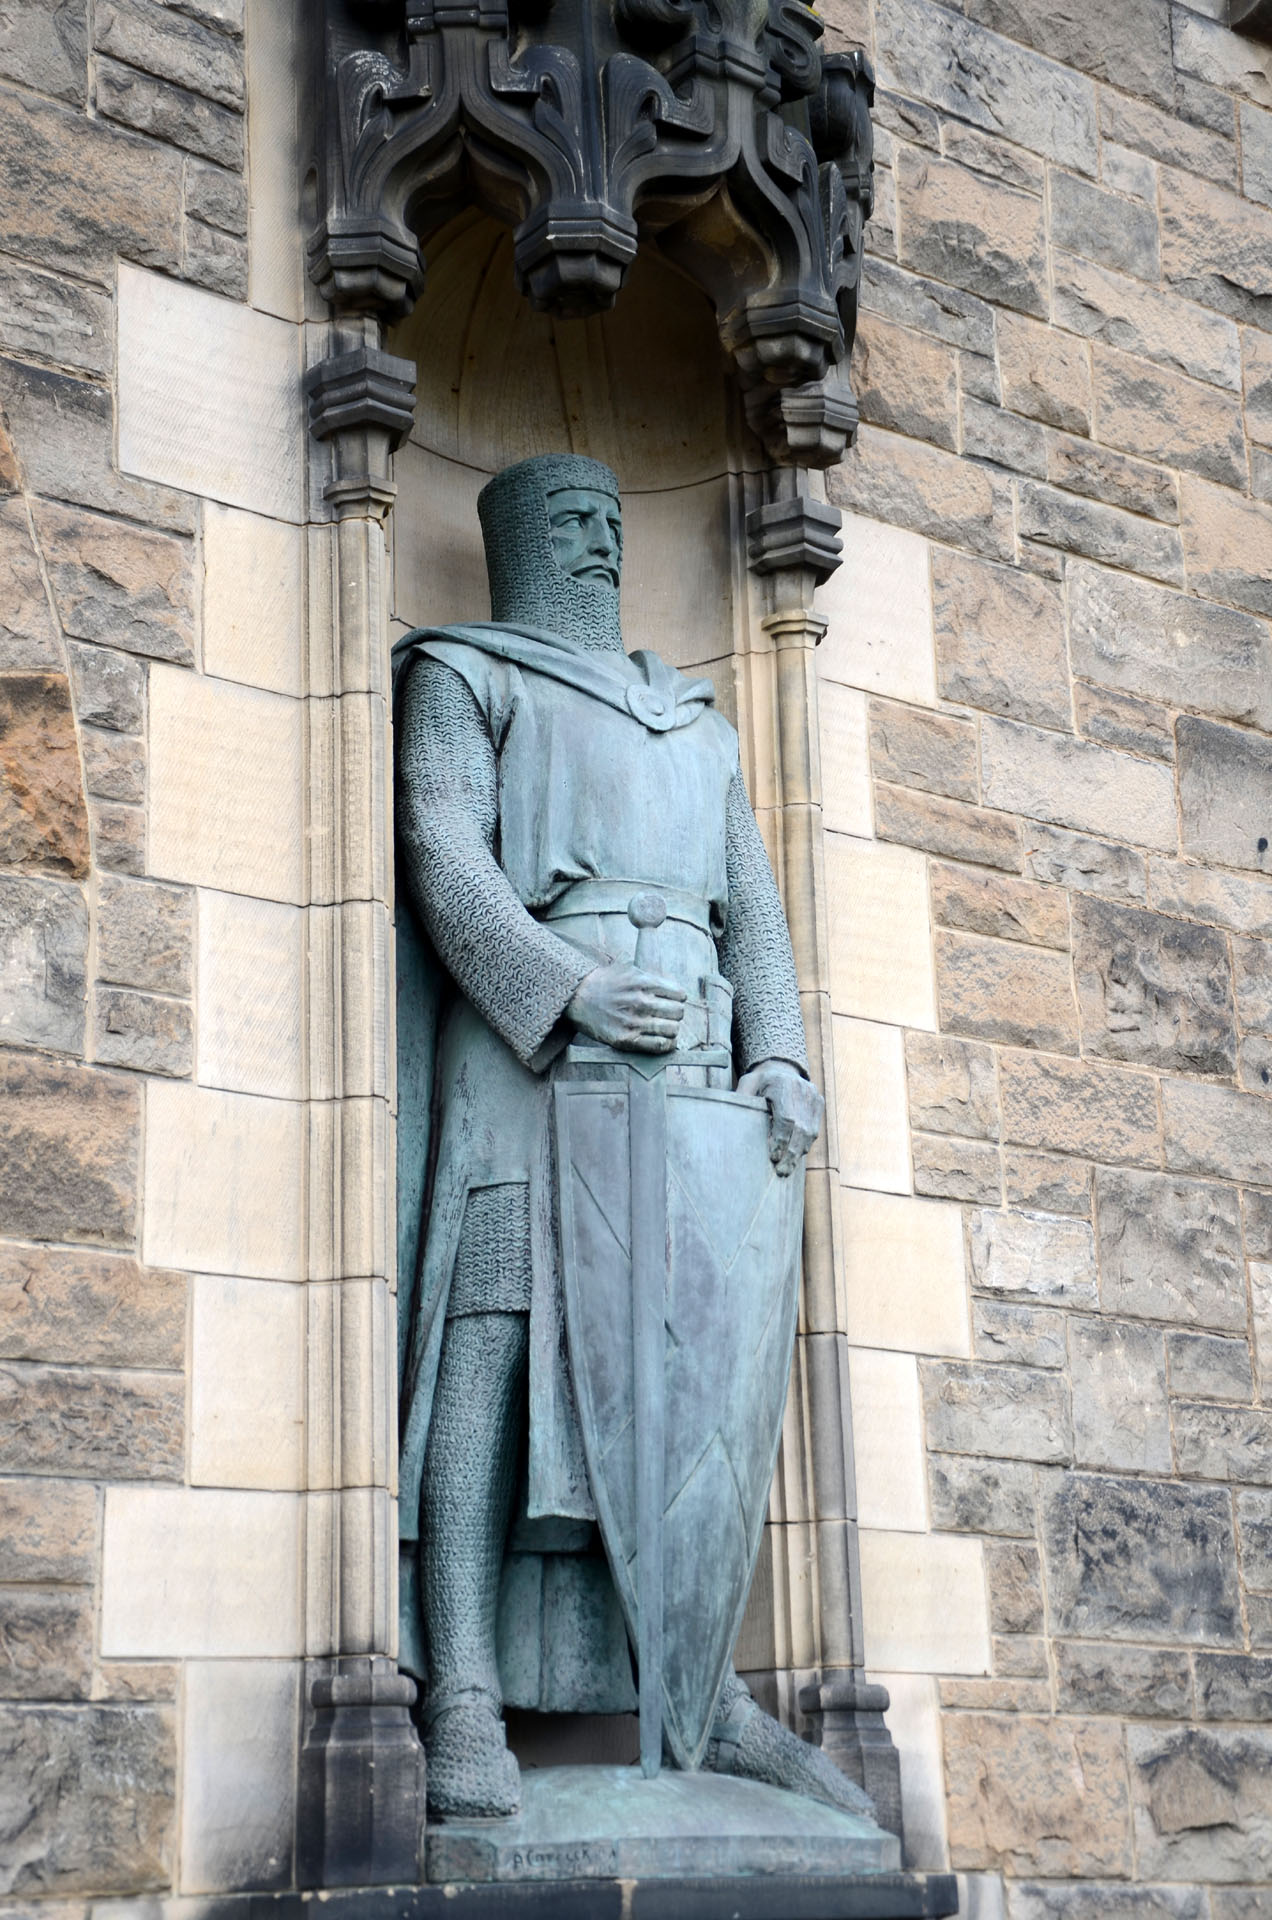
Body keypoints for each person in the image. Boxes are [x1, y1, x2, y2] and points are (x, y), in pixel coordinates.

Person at [395, 452, 866, 1822]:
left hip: (691, 1077)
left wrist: (777, 1053)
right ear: (521, 542)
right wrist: (571, 988)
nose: (601, 539)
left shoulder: (700, 724)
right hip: (529, 1060)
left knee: (687, 1375)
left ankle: (701, 1685)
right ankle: (465, 1695)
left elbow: (754, 910)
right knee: (493, 1337)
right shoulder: (466, 675)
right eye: (573, 521)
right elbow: (443, 853)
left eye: (614, 517)